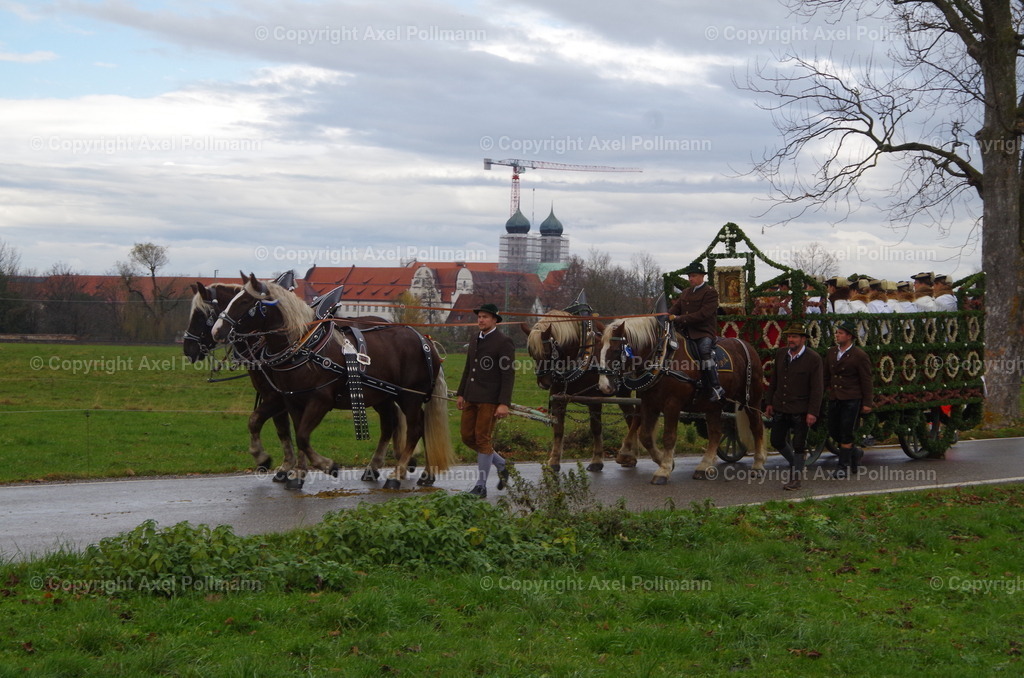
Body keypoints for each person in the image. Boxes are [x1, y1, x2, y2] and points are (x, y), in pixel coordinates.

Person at [456, 302, 515, 498]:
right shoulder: (475, 339)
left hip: (490, 399)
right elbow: (468, 368)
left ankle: (481, 486)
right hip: (471, 396)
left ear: (495, 320)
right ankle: (501, 464)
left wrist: (504, 403)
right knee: (467, 437)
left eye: (485, 317)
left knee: (482, 439)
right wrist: (461, 393)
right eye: (479, 317)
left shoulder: (503, 341)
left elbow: (508, 374)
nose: (481, 320)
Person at [765, 322, 824, 491]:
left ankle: (796, 479)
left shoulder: (813, 358)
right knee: (776, 440)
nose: (791, 340)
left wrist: (813, 412)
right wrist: (769, 402)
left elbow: (817, 388)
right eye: (789, 336)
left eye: (795, 337)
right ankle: (796, 463)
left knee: (799, 444)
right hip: (781, 406)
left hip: (801, 408)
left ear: (803, 339)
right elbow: (774, 380)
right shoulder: (781, 354)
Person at [823, 320, 873, 479]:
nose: (837, 335)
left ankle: (842, 466)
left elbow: (866, 380)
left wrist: (867, 402)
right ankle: (855, 452)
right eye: (836, 333)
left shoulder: (859, 355)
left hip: (852, 398)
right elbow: (826, 376)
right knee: (833, 430)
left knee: (846, 431)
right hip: (835, 397)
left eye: (840, 333)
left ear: (849, 336)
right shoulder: (831, 352)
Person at [668, 262, 725, 401]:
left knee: (704, 351)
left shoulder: (710, 292)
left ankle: (716, 387)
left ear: (701, 277)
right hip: (684, 332)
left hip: (703, 332)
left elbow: (703, 314)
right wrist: (663, 315)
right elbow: (674, 310)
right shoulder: (686, 292)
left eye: (693, 276)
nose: (690, 279)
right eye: (689, 276)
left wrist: (679, 318)